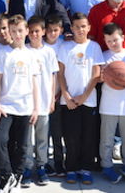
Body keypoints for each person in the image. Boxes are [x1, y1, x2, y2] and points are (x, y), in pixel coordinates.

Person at [0, 15, 40, 193]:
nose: (17, 34)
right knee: (0, 140)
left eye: (20, 30)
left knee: (22, 146)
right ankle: (7, 176)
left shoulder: (30, 55)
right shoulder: (4, 52)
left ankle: (17, 178)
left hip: (25, 107)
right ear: (10, 33)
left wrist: (36, 107)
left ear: (27, 31)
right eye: (14, 31)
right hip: (6, 106)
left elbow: (35, 82)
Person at [58, 13, 104, 185]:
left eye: (83, 26)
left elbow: (96, 75)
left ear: (89, 28)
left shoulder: (94, 47)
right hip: (68, 101)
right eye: (76, 26)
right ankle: (71, 168)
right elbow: (60, 74)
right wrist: (66, 95)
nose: (80, 30)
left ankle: (85, 168)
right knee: (71, 137)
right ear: (71, 28)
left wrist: (84, 96)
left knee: (88, 137)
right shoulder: (65, 47)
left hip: (88, 100)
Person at [98, 23, 125, 184]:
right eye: (109, 41)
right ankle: (107, 166)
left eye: (115, 40)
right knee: (107, 139)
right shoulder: (103, 56)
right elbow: (99, 77)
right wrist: (105, 77)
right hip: (108, 104)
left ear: (122, 38)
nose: (112, 44)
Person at [22, 16, 59, 187]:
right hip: (27, 102)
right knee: (27, 139)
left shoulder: (49, 52)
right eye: (31, 31)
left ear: (43, 32)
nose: (34, 34)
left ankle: (42, 166)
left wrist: (52, 99)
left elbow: (53, 77)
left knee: (42, 138)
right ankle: (28, 168)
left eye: (37, 31)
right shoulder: (24, 50)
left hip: (44, 102)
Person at [44, 15, 67, 178]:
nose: (52, 33)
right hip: (42, 95)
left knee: (57, 133)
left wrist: (59, 93)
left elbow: (61, 72)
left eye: (56, 30)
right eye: (50, 30)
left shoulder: (64, 45)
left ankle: (59, 163)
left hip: (59, 95)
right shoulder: (40, 46)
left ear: (61, 31)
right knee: (43, 134)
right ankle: (44, 163)